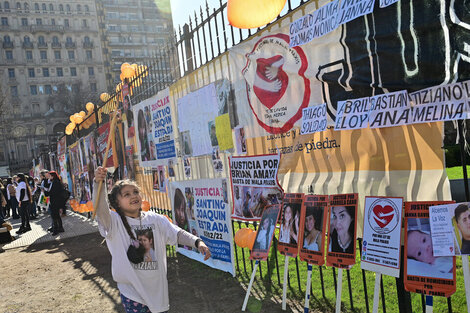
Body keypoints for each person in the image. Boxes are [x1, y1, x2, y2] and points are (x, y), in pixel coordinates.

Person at [93, 166, 211, 313]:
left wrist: (197, 242)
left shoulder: (156, 219)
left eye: (135, 192)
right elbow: (101, 209)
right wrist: (98, 183)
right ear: (117, 203)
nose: (133, 196)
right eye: (127, 194)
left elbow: (177, 233)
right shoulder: (114, 223)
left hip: (158, 292)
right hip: (132, 293)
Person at [44, 171, 65, 235]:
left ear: (53, 176)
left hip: (55, 201)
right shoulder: (53, 182)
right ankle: (60, 228)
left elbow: (53, 192)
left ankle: (55, 230)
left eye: (49, 176)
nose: (48, 177)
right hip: (54, 201)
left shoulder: (56, 182)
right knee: (57, 216)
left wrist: (46, 192)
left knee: (54, 216)